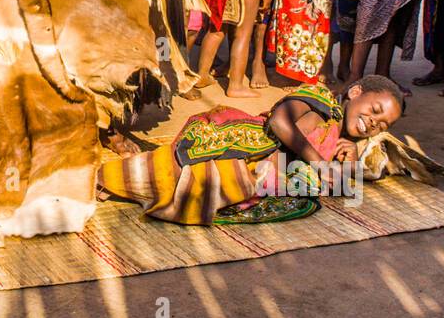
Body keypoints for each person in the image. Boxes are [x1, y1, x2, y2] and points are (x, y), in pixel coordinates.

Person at [99, 75, 405, 224]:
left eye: (383, 124)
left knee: (301, 198)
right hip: (234, 141)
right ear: (355, 92)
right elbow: (281, 123)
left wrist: (347, 164)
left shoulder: (344, 140)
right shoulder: (320, 96)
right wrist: (321, 164)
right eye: (375, 109)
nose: (374, 122)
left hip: (258, 170)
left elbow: (338, 186)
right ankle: (104, 180)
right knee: (169, 176)